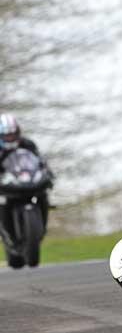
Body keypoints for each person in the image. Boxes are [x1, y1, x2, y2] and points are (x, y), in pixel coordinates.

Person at [0, 114, 51, 265]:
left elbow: (40, 161)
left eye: (13, 135)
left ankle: (41, 228)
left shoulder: (28, 144)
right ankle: (8, 235)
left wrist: (47, 172)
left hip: (27, 182)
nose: (10, 138)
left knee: (44, 194)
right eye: (6, 136)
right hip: (6, 186)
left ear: (18, 132)